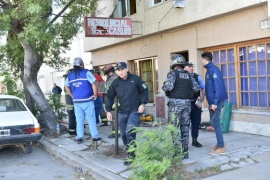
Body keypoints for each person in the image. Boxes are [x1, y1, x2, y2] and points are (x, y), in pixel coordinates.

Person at [105, 62, 149, 165]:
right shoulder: (115, 83)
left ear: (126, 69)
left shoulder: (136, 79)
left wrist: (143, 104)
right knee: (124, 134)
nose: (120, 72)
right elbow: (110, 98)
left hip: (134, 111)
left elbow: (145, 91)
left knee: (130, 131)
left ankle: (131, 155)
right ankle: (130, 150)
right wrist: (108, 111)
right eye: (118, 70)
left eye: (122, 69)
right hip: (122, 112)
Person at [162, 54, 200, 159]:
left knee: (174, 128)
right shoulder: (189, 75)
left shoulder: (172, 74)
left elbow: (168, 87)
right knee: (185, 127)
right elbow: (197, 89)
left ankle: (177, 152)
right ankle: (185, 152)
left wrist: (163, 85)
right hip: (187, 104)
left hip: (175, 104)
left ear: (173, 63)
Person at [65, 57, 102, 144]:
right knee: (91, 119)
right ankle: (95, 137)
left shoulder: (70, 75)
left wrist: (72, 95)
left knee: (79, 120)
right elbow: (94, 83)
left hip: (76, 101)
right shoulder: (86, 72)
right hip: (87, 100)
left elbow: (66, 86)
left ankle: (79, 137)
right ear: (82, 64)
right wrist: (95, 94)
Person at [201, 52, 228, 155]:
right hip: (212, 101)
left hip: (216, 102)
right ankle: (220, 143)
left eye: (202, 60)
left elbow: (218, 87)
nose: (201, 61)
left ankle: (221, 147)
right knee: (214, 122)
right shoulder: (209, 70)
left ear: (204, 60)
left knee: (215, 122)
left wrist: (215, 102)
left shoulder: (213, 69)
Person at [184, 62, 206, 148]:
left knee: (196, 122)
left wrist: (202, 98)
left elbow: (203, 88)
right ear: (184, 68)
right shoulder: (181, 77)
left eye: (192, 66)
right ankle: (184, 142)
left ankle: (194, 140)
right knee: (185, 123)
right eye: (189, 67)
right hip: (185, 104)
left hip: (195, 103)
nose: (191, 68)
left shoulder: (197, 77)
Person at [102, 64, 119, 138]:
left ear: (109, 72)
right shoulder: (113, 78)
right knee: (114, 118)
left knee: (113, 119)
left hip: (113, 102)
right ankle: (116, 132)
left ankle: (115, 133)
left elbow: (108, 91)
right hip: (113, 101)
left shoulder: (112, 79)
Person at [63, 70, 76, 135]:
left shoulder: (66, 84)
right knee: (72, 117)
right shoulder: (68, 84)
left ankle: (73, 129)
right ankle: (72, 130)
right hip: (71, 104)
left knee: (73, 117)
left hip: (70, 104)